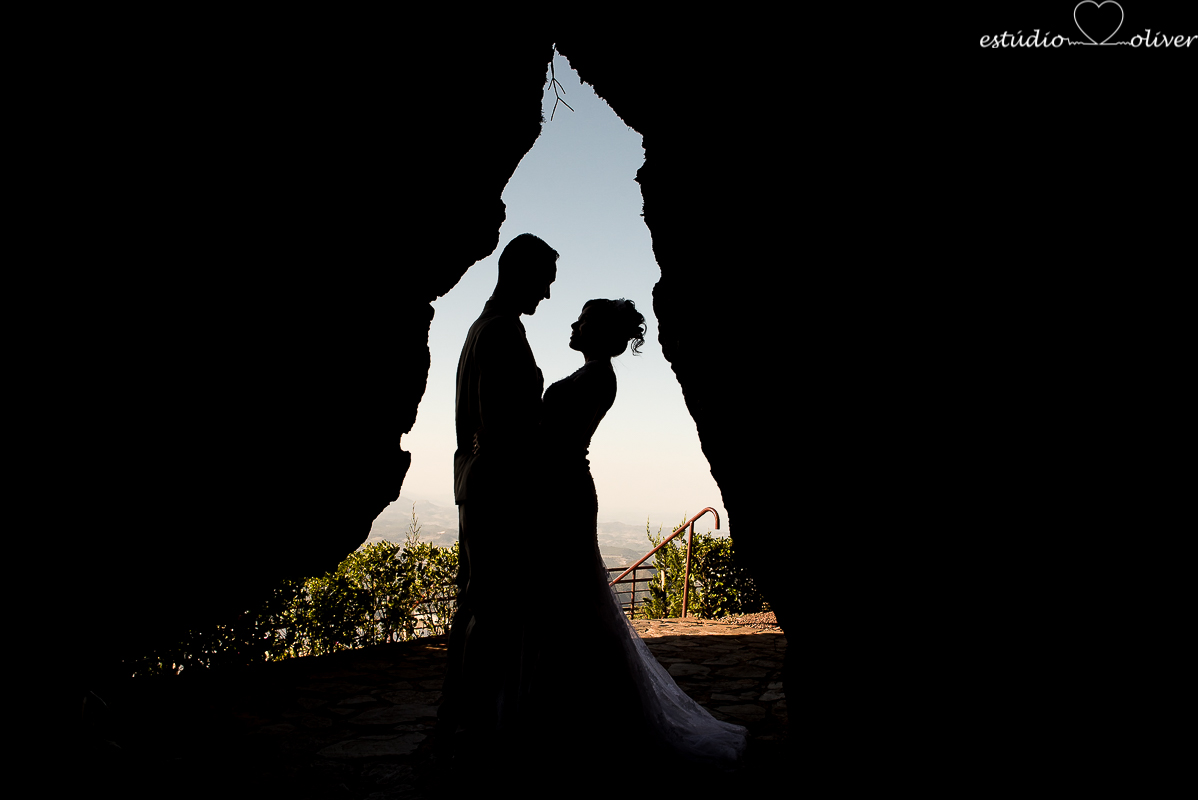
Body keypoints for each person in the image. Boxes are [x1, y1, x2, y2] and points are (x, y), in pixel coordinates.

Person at [521, 298, 748, 772]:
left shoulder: (598, 377)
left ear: (598, 332)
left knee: (575, 599)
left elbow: (550, 436)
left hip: (563, 491)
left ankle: (588, 710)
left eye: (580, 321)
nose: (572, 326)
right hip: (561, 488)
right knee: (571, 597)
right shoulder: (594, 375)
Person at [437, 233, 558, 750]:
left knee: (474, 601)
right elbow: (502, 425)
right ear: (518, 273)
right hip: (499, 488)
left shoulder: (478, 328)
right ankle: (476, 722)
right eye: (544, 283)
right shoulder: (503, 332)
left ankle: (457, 709)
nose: (547, 296)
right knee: (491, 605)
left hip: (475, 482)